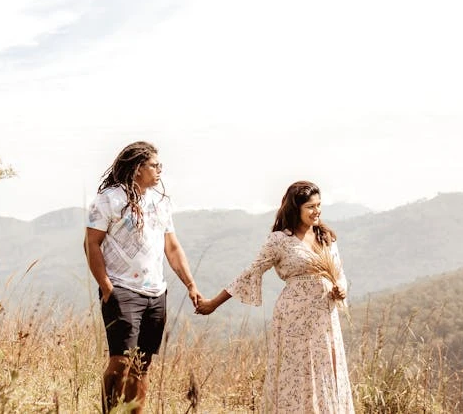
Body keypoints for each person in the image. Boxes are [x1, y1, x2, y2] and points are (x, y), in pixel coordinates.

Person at [196, 180, 354, 413]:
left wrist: (341, 288)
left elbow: (339, 274)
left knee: (325, 370)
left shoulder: (326, 237)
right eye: (310, 207)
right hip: (294, 318)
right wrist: (214, 303)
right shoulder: (280, 240)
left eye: (319, 205)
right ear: (296, 209)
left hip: (325, 317)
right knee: (296, 372)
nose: (317, 211)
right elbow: (251, 272)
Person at [84, 141, 202, 412]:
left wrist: (190, 284)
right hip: (122, 288)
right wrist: (106, 286)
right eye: (154, 165)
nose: (160, 170)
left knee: (142, 365)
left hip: (156, 292)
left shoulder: (160, 202)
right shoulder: (108, 200)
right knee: (121, 362)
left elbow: (172, 247)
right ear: (138, 168)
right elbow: (91, 244)